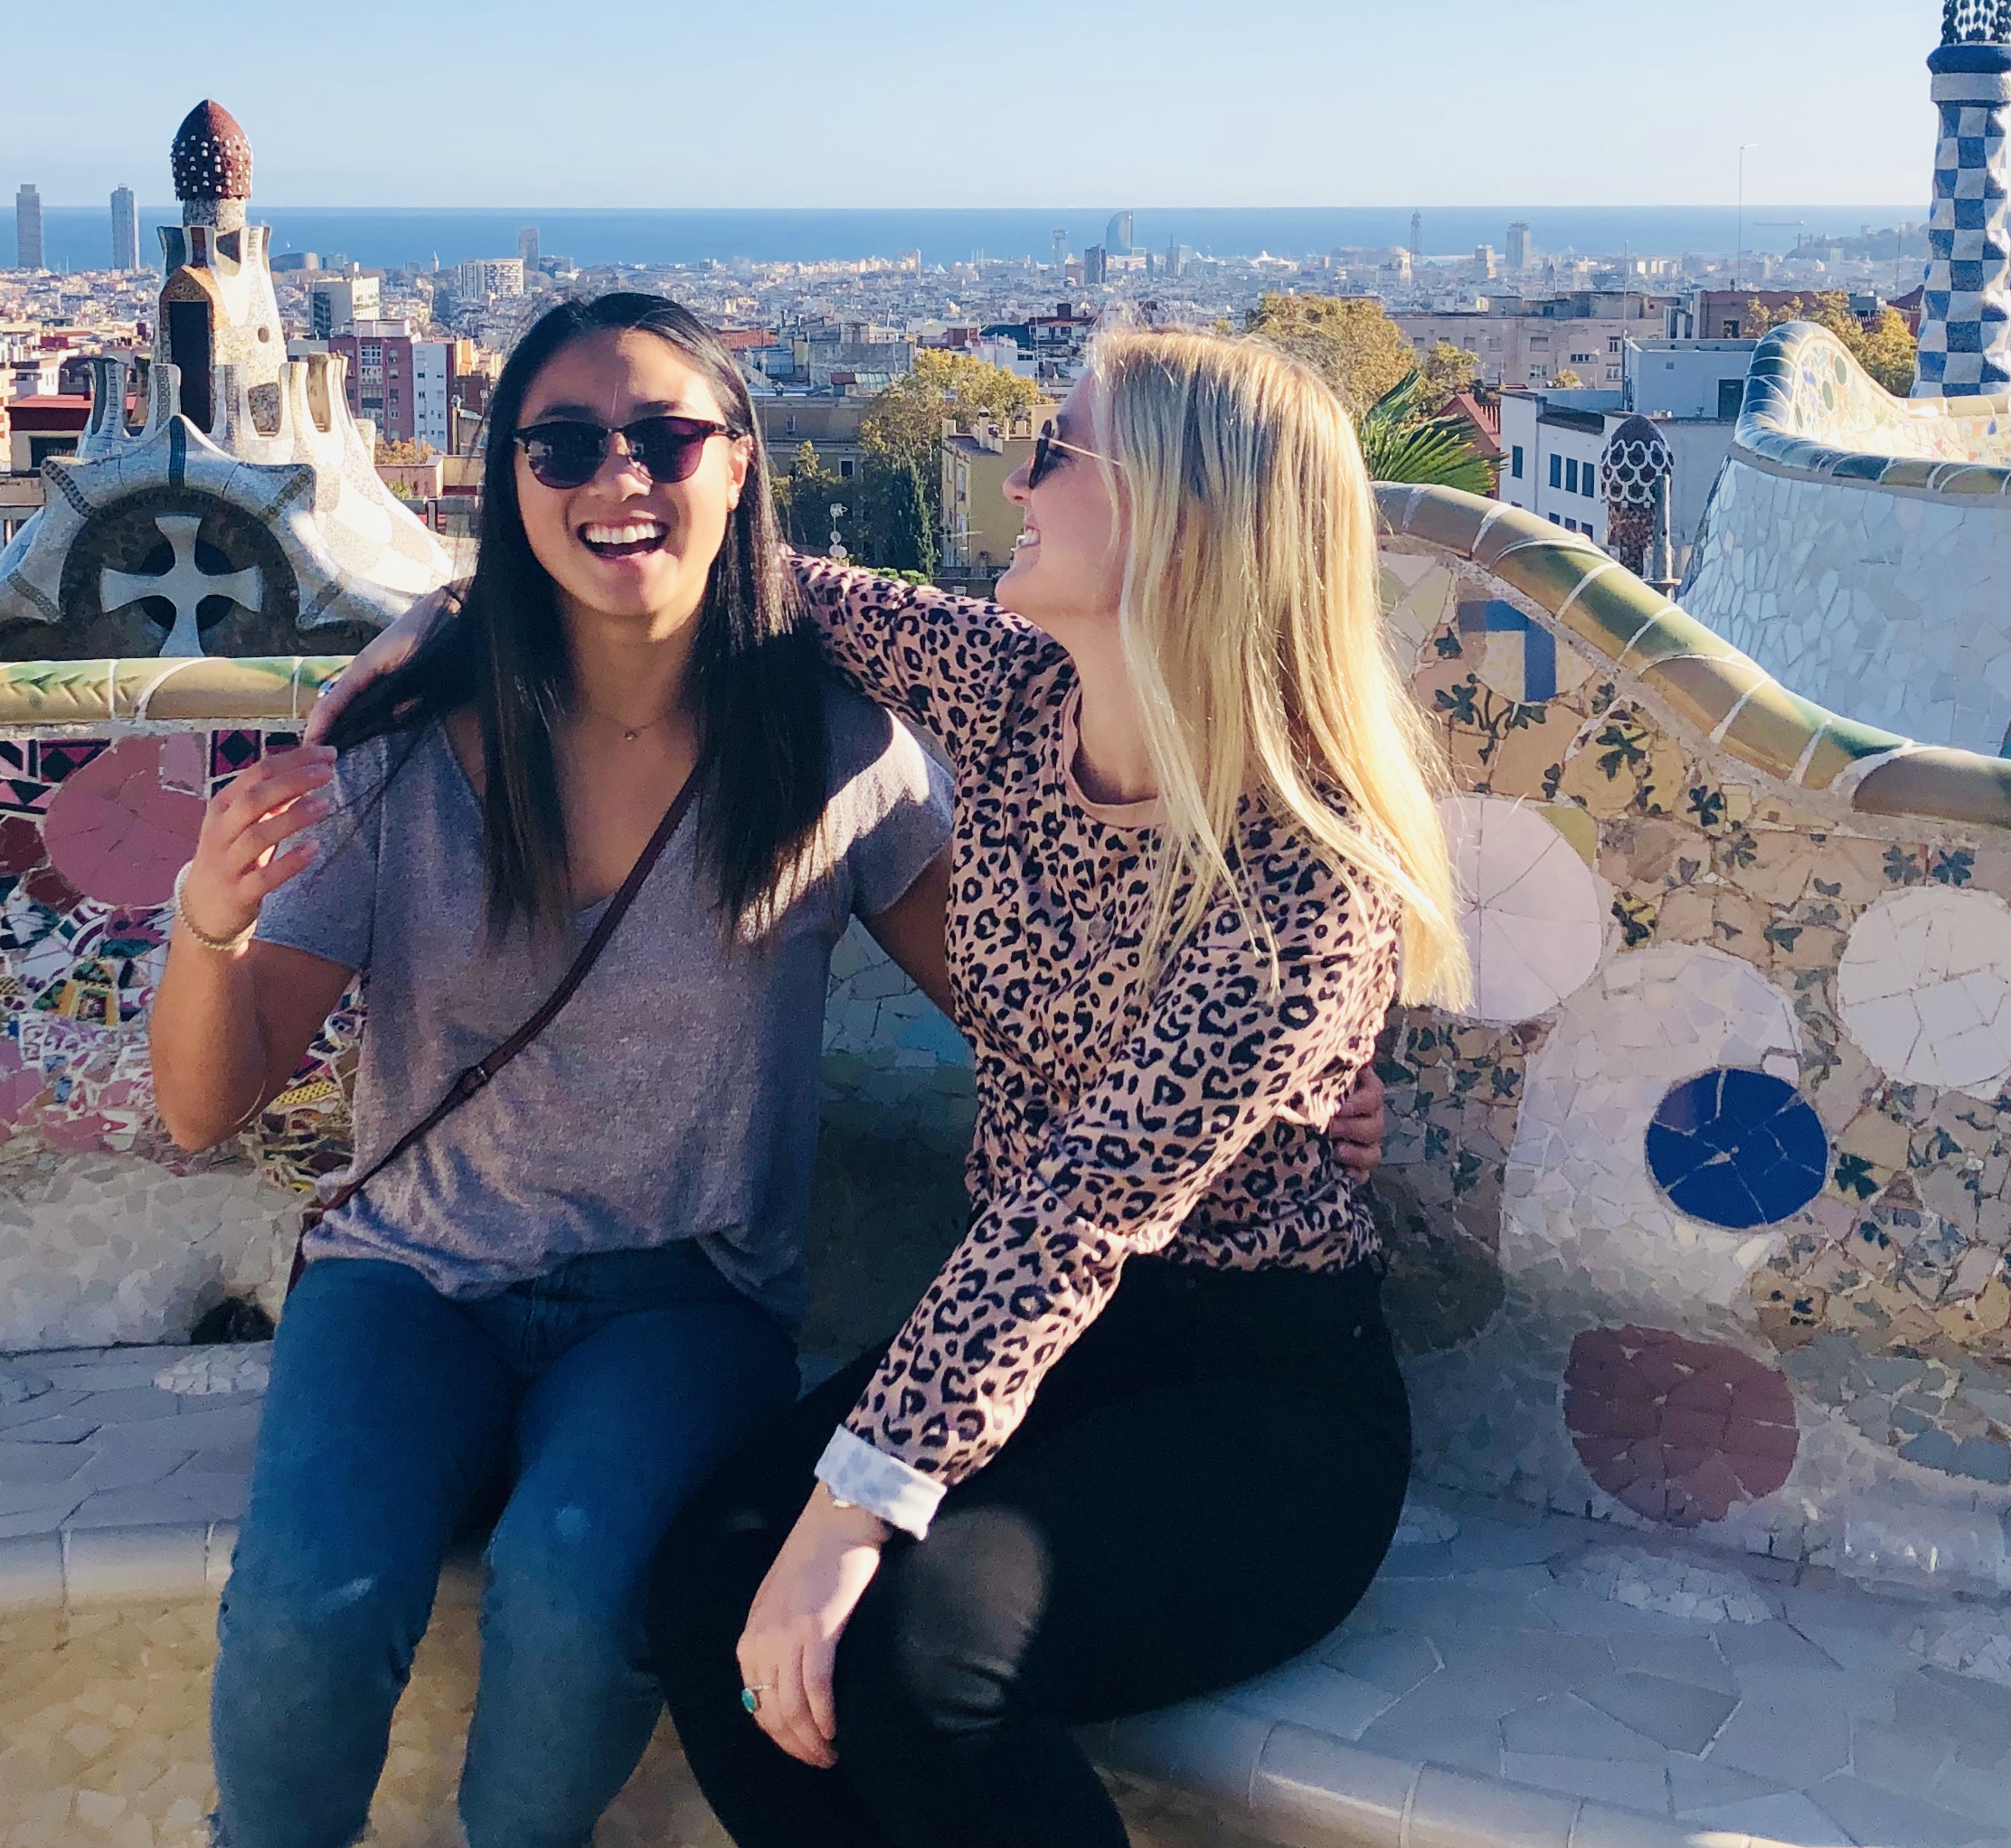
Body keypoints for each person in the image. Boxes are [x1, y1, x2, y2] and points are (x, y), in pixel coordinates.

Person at [643, 325, 1469, 1848]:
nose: (1011, 477)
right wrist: (450, 618)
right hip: (1043, 1360)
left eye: (1052, 453)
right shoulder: (1022, 693)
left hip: (1257, 1389)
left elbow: (1078, 1213)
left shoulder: (1309, 878)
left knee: (919, 1655)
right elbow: (770, 588)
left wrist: (858, 1507)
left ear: (1180, 517)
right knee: (710, 1576)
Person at [152, 292, 958, 1848]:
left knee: (580, 1580)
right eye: (565, 443)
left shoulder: (833, 753)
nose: (617, 478)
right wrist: (207, 918)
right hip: (407, 1278)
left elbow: (1026, 1001)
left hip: (681, 1298)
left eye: (663, 437)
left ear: (738, 467)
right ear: (509, 482)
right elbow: (203, 1101)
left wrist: (1284, 1076)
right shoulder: (398, 744)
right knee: (311, 1602)